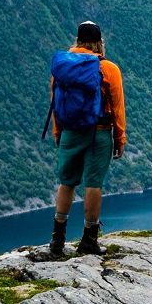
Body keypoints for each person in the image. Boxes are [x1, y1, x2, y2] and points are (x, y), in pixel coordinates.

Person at [43, 20, 126, 257]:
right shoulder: (108, 69)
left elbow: (56, 103)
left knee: (67, 182)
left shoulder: (62, 68)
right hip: (99, 132)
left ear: (77, 40)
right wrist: (120, 137)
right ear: (100, 42)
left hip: (69, 130)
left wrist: (58, 132)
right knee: (93, 184)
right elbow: (118, 107)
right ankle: (89, 239)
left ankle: (57, 240)